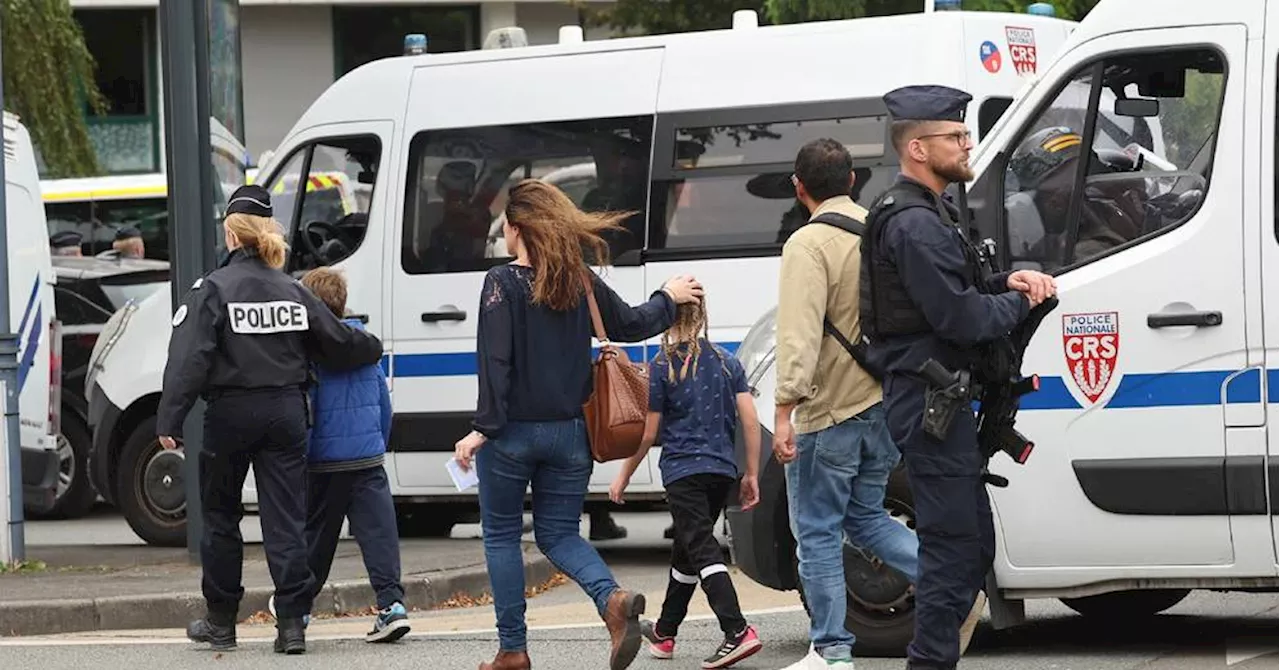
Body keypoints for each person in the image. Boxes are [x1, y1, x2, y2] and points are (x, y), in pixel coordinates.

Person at [453, 179, 703, 670]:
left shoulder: (500, 284)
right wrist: (669, 297)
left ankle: (513, 650)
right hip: (571, 435)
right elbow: (631, 324)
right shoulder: (579, 280)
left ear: (518, 227)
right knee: (561, 535)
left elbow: (496, 363)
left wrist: (483, 427)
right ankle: (611, 601)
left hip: (514, 434)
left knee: (501, 536)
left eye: (505, 224)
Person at [859, 85, 1056, 670]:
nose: (967, 143)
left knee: (972, 544)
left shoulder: (932, 212)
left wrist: (1009, 283)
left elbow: (963, 293)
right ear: (918, 147)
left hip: (940, 401)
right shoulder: (914, 223)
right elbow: (958, 317)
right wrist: (1021, 306)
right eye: (955, 136)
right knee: (952, 547)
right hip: (929, 403)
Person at [156, 184, 386, 655]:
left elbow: (189, 359)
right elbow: (337, 342)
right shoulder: (291, 290)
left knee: (220, 516)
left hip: (230, 414)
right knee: (286, 518)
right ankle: (291, 626)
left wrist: (170, 418)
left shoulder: (213, 290)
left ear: (231, 235)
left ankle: (221, 622)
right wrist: (374, 346)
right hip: (285, 414)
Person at [772, 138, 924, 670]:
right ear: (853, 179)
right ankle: (949, 581)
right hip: (882, 402)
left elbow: (798, 336)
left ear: (799, 187)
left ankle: (831, 650)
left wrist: (783, 411)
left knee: (815, 530)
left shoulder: (807, 245)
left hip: (828, 411)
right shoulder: (881, 229)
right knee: (866, 517)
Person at [609, 296, 763, 669]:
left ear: (666, 316)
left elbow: (647, 433)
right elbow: (750, 421)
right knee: (687, 549)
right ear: (703, 315)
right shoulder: (728, 362)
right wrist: (752, 473)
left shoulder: (664, 365)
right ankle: (665, 632)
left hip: (683, 473)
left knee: (701, 547)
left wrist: (624, 474)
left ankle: (737, 630)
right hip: (721, 471)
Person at [295, 266, 410, 644]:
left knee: (316, 540)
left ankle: (300, 612)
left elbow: (305, 411)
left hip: (324, 463)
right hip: (366, 461)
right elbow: (383, 405)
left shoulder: (305, 352)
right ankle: (391, 605)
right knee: (379, 535)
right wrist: (378, 442)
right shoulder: (365, 345)